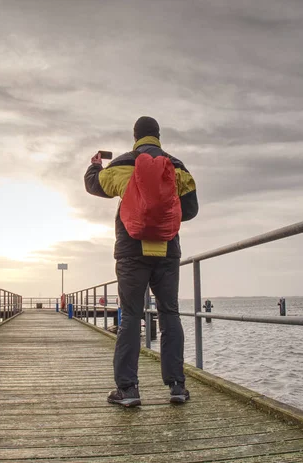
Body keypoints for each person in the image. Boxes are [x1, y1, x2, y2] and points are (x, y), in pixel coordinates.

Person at [84, 116, 199, 406]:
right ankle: (176, 387)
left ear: (135, 136)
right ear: (158, 135)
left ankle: (128, 389)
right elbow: (191, 209)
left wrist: (95, 164)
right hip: (167, 249)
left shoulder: (123, 164)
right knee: (170, 314)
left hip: (131, 251)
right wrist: (162, 214)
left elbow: (94, 185)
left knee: (131, 317)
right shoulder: (177, 167)